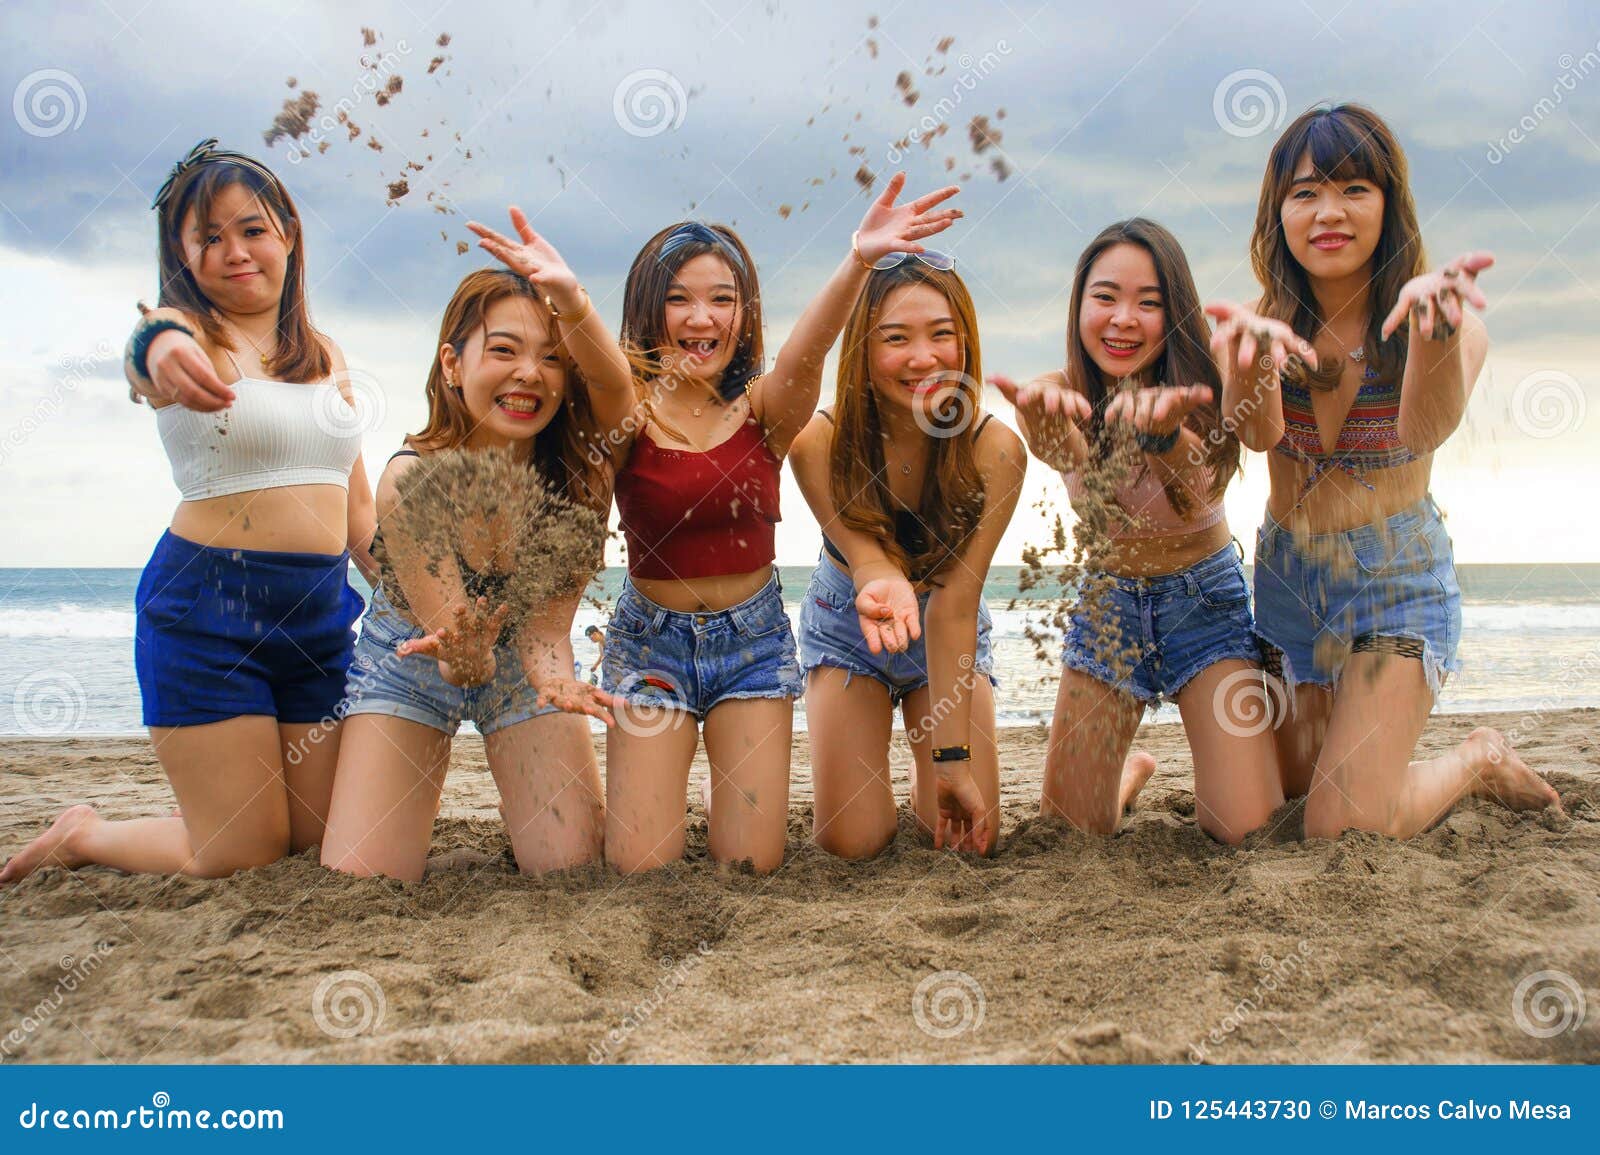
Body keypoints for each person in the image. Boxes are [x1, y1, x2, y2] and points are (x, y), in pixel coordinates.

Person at [2, 139, 374, 883]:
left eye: (252, 229)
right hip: (207, 615)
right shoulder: (188, 334)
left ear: (289, 235)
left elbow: (358, 508)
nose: (234, 251)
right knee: (240, 854)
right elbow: (146, 348)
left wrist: (426, 598)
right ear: (182, 255)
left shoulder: (326, 354)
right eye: (209, 237)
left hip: (319, 620)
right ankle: (84, 834)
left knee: (317, 843)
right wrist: (158, 349)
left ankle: (215, 807)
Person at [1208, 103, 1558, 839]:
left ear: (1389, 204)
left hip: (1394, 590)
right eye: (1304, 193)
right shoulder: (1250, 324)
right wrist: (1251, 362)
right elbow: (1261, 430)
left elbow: (1423, 428)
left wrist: (1436, 336)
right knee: (1289, 797)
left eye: (1354, 190)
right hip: (1287, 590)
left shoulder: (1449, 319)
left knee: (1338, 826)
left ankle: (1477, 758)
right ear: (1278, 213)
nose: (1328, 212)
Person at [601, 173, 963, 873]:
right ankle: (667, 786)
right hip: (651, 646)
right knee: (639, 867)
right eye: (678, 299)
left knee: (752, 866)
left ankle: (720, 788)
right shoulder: (626, 409)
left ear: (744, 314)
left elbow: (810, 349)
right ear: (647, 311)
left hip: (752, 645)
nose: (701, 318)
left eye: (721, 299)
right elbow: (592, 360)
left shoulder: (766, 410)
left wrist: (860, 259)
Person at [321, 211, 631, 882]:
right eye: (504, 351)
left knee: (574, 868)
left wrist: (552, 677)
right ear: (451, 363)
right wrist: (461, 658)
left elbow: (546, 629)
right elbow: (457, 650)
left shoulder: (577, 478)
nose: (530, 374)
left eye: (553, 357)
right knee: (367, 878)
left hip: (519, 664)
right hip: (411, 658)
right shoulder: (411, 478)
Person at [995, 218, 1284, 843]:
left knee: (1244, 830)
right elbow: (1066, 452)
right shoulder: (1061, 390)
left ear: (1174, 312)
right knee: (1068, 832)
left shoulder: (1203, 384)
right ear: (1079, 306)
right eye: (1105, 297)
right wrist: (1039, 420)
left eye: (1148, 303)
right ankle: (1126, 775)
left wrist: (1161, 436)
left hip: (1203, 605)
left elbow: (1195, 485)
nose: (1123, 318)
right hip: (1110, 608)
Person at [790, 253, 1022, 858]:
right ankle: (730, 799)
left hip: (946, 624)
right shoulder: (820, 442)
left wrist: (951, 764)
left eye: (942, 335)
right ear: (863, 350)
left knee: (963, 840)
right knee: (852, 842)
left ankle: (1128, 781)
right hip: (849, 626)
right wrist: (880, 575)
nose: (924, 359)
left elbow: (954, 605)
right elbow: (868, 564)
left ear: (966, 341)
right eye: (896, 339)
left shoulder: (994, 449)